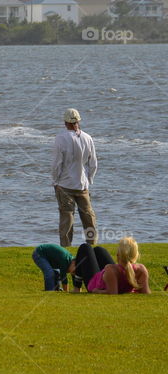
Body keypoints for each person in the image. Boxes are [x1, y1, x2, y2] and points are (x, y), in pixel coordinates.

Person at [52, 108, 98, 246]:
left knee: (67, 218)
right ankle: (92, 245)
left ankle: (66, 248)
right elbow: (93, 164)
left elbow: (56, 164)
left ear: (66, 122)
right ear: (78, 121)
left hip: (65, 185)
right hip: (82, 184)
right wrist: (89, 179)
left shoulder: (60, 138)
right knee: (89, 218)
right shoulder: (87, 138)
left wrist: (55, 181)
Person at [71, 237, 150, 294]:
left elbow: (112, 292)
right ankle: (77, 287)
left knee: (85, 247)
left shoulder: (111, 270)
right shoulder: (141, 269)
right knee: (98, 250)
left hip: (93, 283)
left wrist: (97, 291)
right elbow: (146, 292)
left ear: (118, 254)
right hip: (107, 276)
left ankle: (77, 287)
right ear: (136, 255)